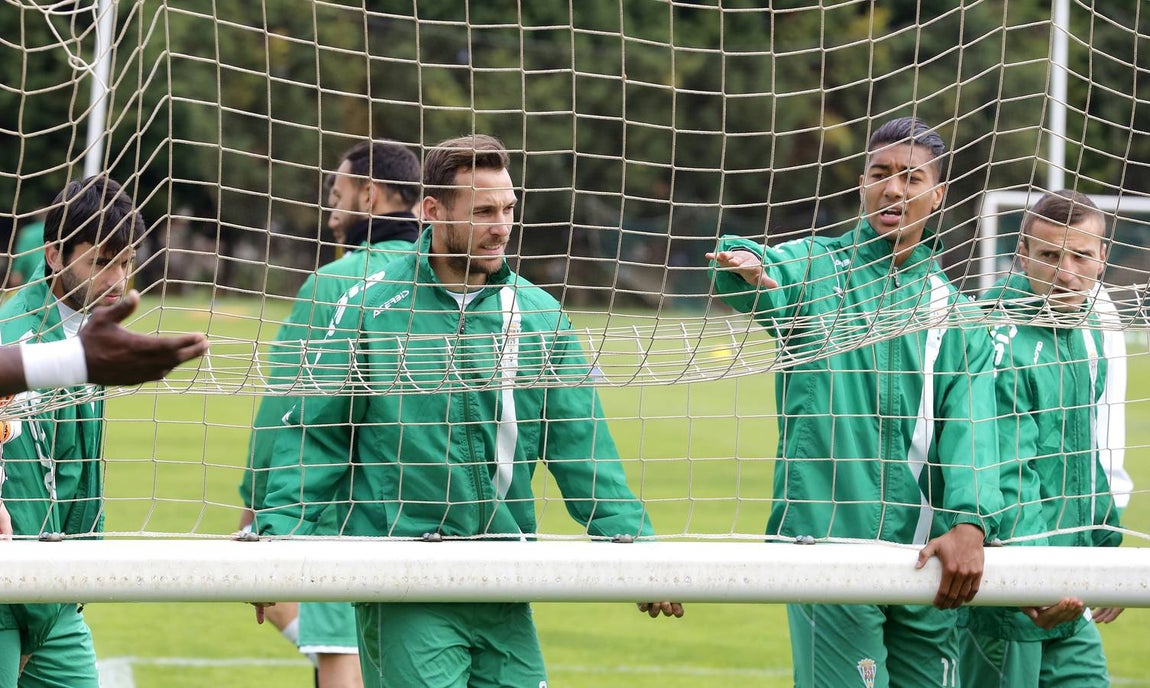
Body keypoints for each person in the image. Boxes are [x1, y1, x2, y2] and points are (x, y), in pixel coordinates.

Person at [258, 134, 682, 688]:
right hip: (406, 582)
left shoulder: (540, 316)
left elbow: (583, 448)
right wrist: (276, 541)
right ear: (432, 212)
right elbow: (316, 439)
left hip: (504, 580)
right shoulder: (368, 310)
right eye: (483, 211)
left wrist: (636, 550)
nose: (501, 225)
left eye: (508, 209)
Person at [707, 117, 1003, 688]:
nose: (894, 189)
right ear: (862, 184)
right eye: (880, 174)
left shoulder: (957, 313)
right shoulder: (820, 269)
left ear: (938, 195)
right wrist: (745, 263)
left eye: (912, 178)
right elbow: (764, 265)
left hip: (926, 558)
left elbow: (973, 426)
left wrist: (969, 520)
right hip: (826, 546)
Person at [0, 175, 207, 687]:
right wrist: (31, 625)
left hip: (55, 601)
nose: (118, 280)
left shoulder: (91, 334)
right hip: (14, 601)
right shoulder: (20, 344)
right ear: (53, 255)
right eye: (101, 262)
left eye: (127, 263)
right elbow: (22, 497)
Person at [238, 139, 421, 688]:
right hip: (441, 519)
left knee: (339, 649)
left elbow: (286, 405)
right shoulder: (450, 280)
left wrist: (254, 502)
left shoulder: (335, 284)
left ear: (371, 195)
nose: (330, 209)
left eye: (337, 194)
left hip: (343, 510)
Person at [959, 190, 1123, 687]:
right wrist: (1034, 577)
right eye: (1050, 255)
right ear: (1022, 255)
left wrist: (1106, 547)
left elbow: (1086, 455)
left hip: (1069, 584)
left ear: (1102, 260)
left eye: (1080, 256)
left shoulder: (1090, 331)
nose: (1065, 272)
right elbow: (1004, 467)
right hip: (1012, 594)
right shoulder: (997, 332)